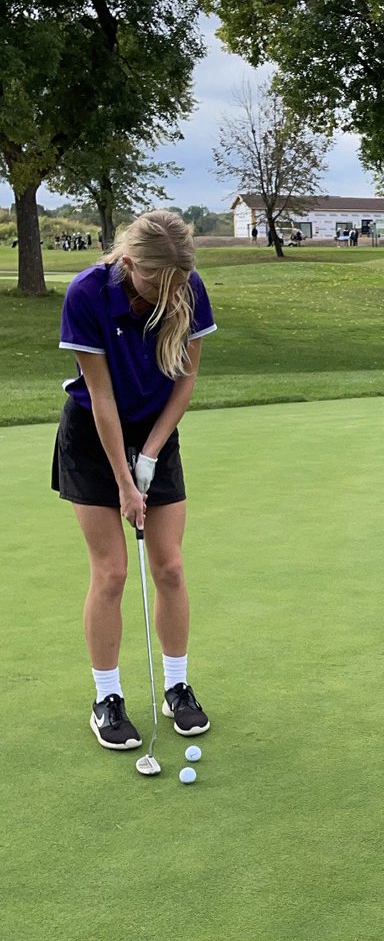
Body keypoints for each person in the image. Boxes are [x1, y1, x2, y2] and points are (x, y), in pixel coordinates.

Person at [52, 210, 217, 750]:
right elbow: (100, 398)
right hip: (94, 437)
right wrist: (125, 479)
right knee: (113, 571)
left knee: (168, 565)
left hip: (155, 430)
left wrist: (149, 455)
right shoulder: (87, 293)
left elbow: (184, 387)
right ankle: (107, 698)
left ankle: (176, 687)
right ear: (128, 263)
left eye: (175, 283)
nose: (168, 293)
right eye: (154, 281)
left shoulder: (187, 286)